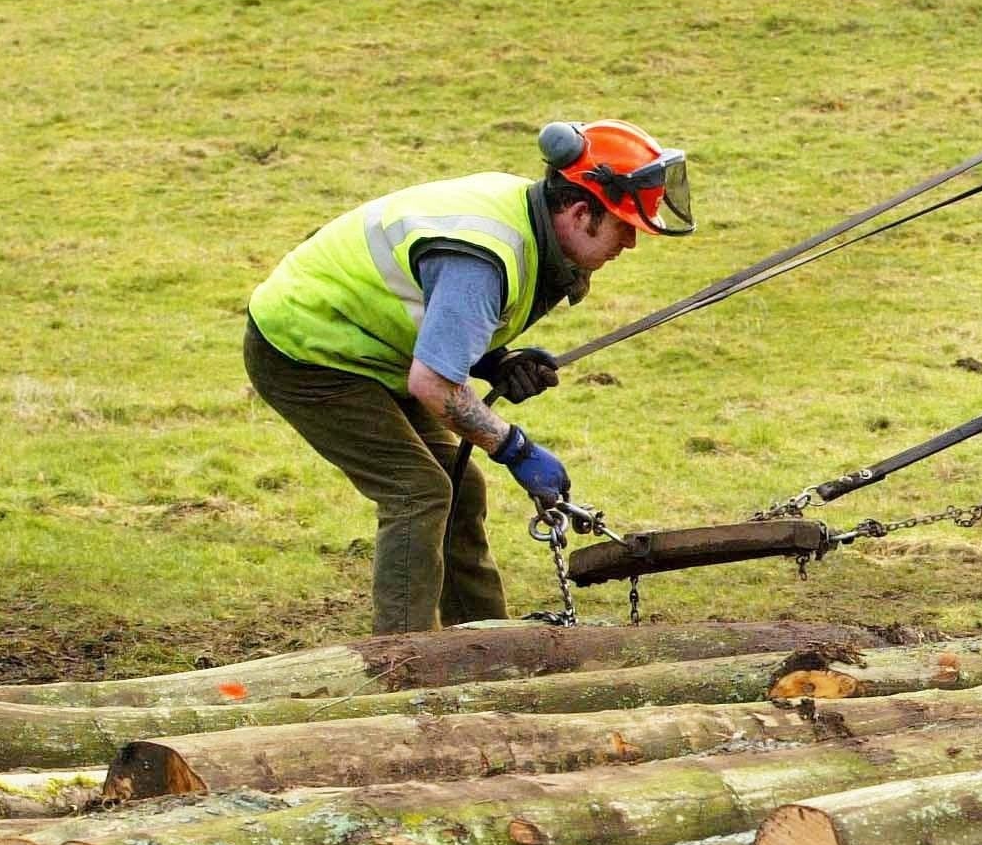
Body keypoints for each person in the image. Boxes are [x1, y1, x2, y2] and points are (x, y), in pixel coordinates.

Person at [243, 119, 694, 635]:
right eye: (624, 226)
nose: (631, 244)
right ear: (578, 211)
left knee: (461, 487)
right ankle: (404, 661)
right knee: (418, 490)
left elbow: (438, 314)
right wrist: (515, 449)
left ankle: (483, 642)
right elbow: (434, 384)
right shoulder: (483, 257)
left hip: (369, 348)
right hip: (306, 351)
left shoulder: (527, 221)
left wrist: (492, 360)